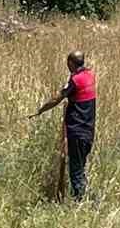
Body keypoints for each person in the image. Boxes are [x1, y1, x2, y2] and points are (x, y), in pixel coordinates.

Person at [32, 51, 97, 200]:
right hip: (89, 131)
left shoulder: (75, 80)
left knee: (75, 171)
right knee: (80, 167)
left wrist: (40, 110)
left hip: (77, 132)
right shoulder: (90, 76)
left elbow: (58, 98)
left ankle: (83, 202)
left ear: (70, 63)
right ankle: (86, 199)